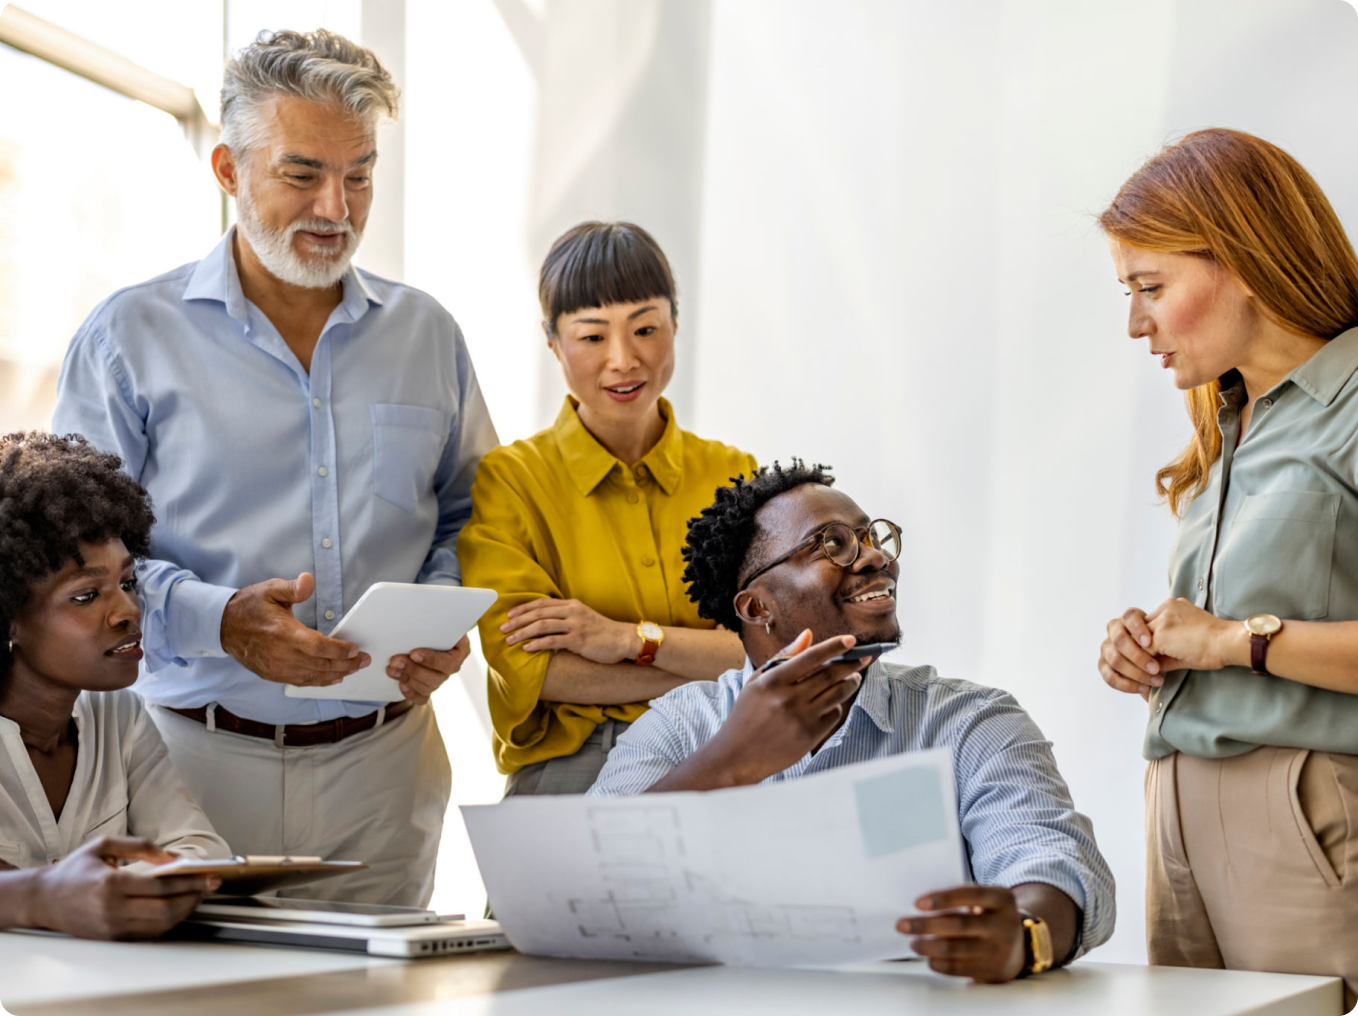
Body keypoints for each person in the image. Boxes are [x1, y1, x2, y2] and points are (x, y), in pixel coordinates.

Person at [51, 30, 497, 906]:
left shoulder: (428, 335)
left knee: (374, 985)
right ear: (228, 168)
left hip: (388, 772)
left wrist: (441, 615)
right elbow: (73, 560)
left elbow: (472, 513)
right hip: (186, 766)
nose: (336, 206)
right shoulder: (126, 338)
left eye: (360, 175)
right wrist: (220, 622)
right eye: (303, 174)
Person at [591, 461, 1114, 983]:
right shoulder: (681, 724)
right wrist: (730, 761)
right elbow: (588, 880)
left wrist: (1024, 934)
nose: (876, 557)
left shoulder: (970, 720)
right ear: (756, 607)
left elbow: (1052, 862)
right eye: (832, 544)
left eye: (870, 537)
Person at [1097, 128, 1358, 1005]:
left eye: (1150, 288)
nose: (1135, 323)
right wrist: (1149, 647)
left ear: (1242, 259)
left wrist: (1233, 642)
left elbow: (1237, 635)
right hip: (1175, 802)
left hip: (1304, 808)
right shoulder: (1231, 420)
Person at [458, 222, 757, 795]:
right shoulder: (511, 481)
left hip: (718, 753)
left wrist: (626, 640)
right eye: (593, 336)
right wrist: (700, 663)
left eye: (645, 329)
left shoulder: (732, 474)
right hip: (576, 765)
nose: (623, 359)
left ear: (675, 324)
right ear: (553, 343)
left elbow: (769, 647)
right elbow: (538, 672)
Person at [0, 432, 229, 940]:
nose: (128, 611)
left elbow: (201, 851)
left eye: (127, 583)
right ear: (9, 618)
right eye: (86, 596)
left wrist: (106, 889)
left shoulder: (120, 716)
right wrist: (43, 895)